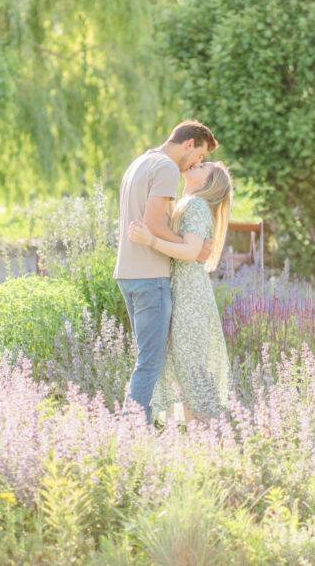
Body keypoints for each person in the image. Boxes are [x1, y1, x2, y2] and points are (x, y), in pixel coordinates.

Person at [114, 121, 217, 422]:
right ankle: (130, 431)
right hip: (149, 276)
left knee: (147, 361)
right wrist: (192, 248)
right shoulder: (167, 168)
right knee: (150, 363)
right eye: (199, 155)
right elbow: (153, 224)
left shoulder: (139, 163)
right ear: (189, 144)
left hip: (128, 273)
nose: (198, 162)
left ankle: (137, 428)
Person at [128, 160, 233, 424]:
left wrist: (150, 240)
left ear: (208, 182)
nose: (198, 163)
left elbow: (189, 251)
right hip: (182, 291)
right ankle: (198, 443)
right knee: (186, 370)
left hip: (189, 296)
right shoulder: (186, 203)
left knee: (192, 371)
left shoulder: (196, 205)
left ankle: (208, 441)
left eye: (205, 165)